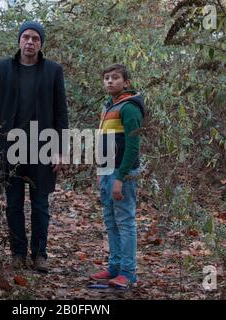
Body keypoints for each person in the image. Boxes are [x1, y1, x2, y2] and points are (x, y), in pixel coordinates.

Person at [0, 21, 68, 273]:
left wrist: (61, 149)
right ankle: (18, 254)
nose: (30, 42)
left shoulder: (53, 71)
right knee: (13, 203)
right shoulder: (2, 69)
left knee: (40, 204)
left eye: (35, 39)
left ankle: (39, 254)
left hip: (43, 147)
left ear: (41, 44)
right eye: (26, 37)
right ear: (19, 40)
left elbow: (60, 113)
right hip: (11, 147)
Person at [91, 64, 144, 288]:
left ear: (126, 82)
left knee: (125, 220)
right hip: (106, 170)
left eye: (115, 78)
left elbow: (133, 146)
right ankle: (114, 267)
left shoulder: (129, 108)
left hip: (122, 172)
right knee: (110, 220)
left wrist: (120, 178)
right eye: (106, 78)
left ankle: (128, 272)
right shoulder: (107, 107)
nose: (110, 81)